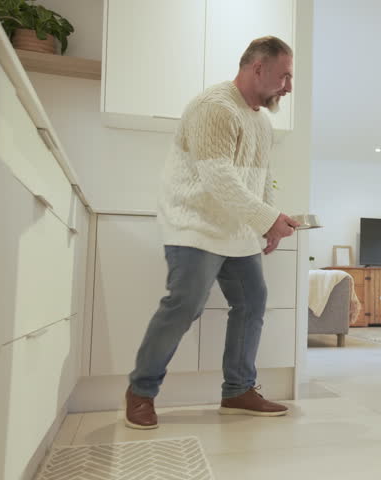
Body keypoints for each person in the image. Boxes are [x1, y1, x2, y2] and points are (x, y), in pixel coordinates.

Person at [124, 36, 299, 429]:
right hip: (195, 225)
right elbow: (217, 177)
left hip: (236, 231)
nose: (289, 86)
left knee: (252, 302)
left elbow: (260, 178)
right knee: (184, 305)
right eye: (284, 76)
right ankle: (141, 391)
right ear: (258, 68)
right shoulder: (215, 108)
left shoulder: (262, 121)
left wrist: (269, 220)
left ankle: (238, 389)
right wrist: (264, 219)